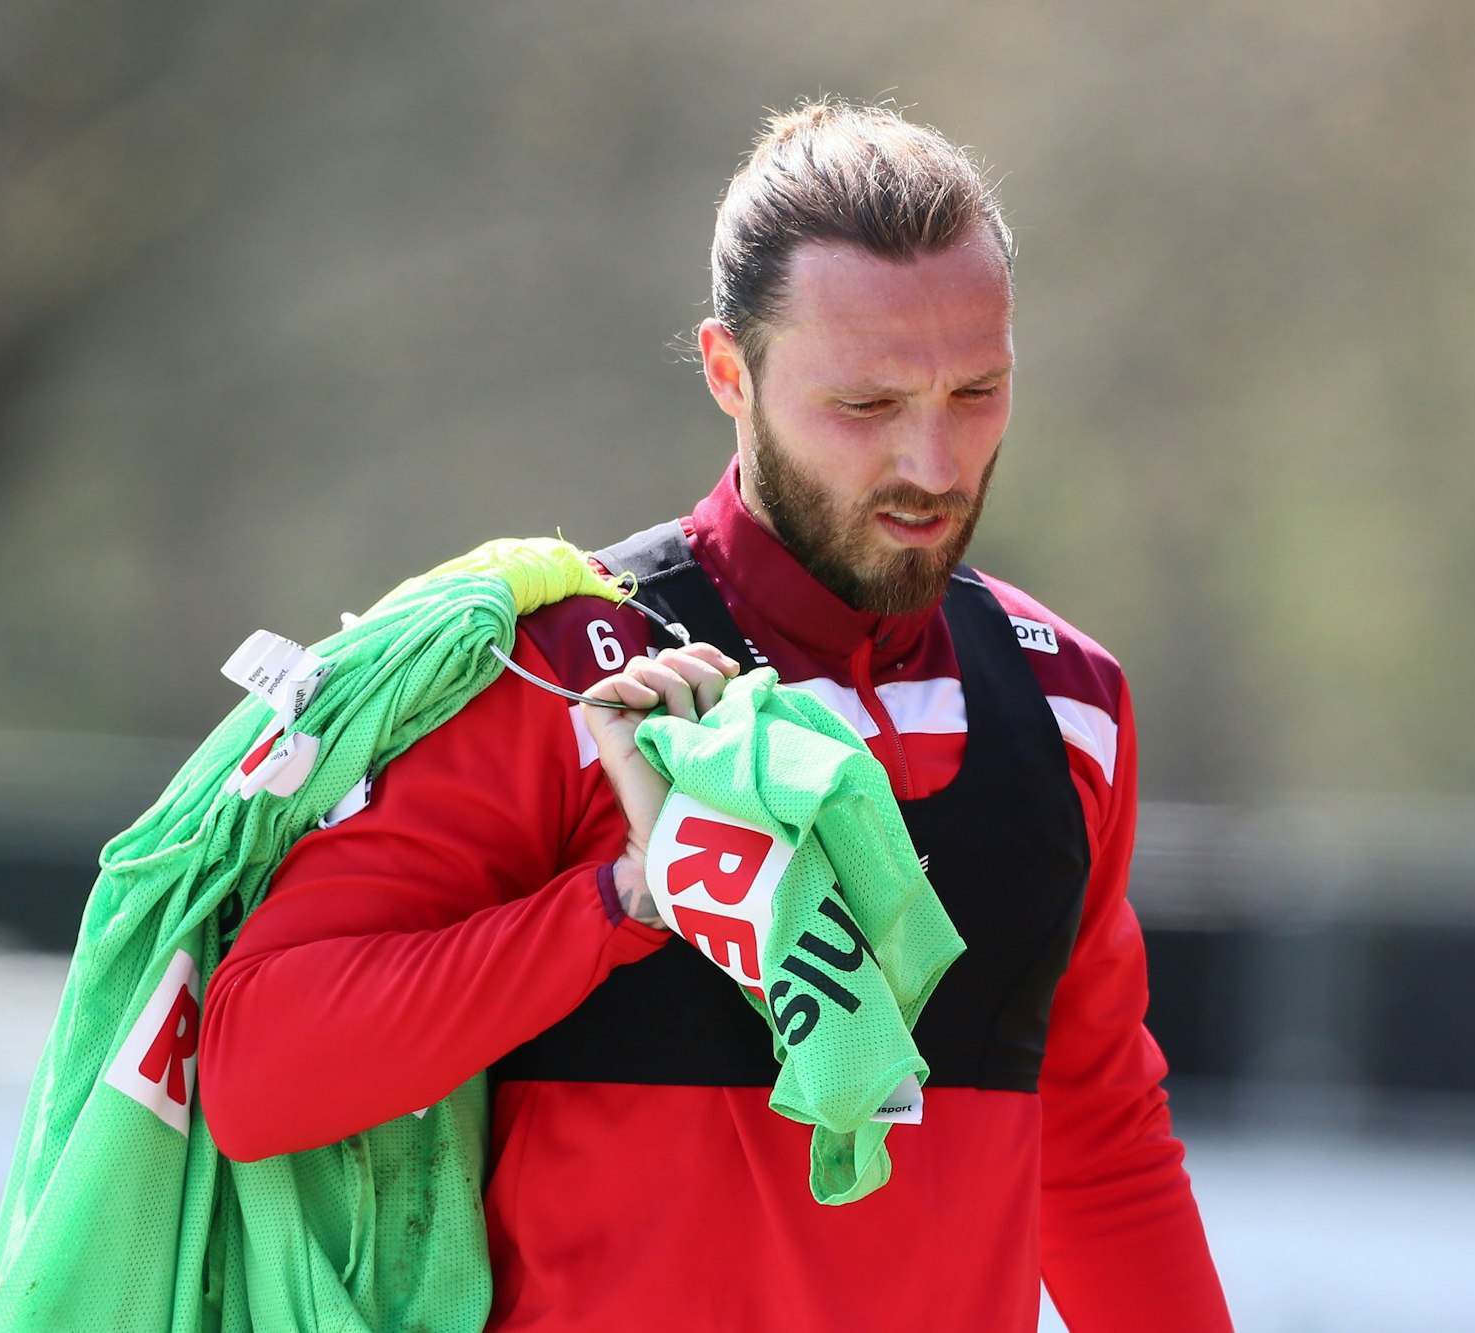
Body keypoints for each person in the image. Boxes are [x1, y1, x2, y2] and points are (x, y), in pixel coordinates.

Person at [199, 98, 1233, 1332]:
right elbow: (255, 1072)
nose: (933, 464)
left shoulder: (1069, 704)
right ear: (728, 371)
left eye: (976, 390)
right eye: (866, 406)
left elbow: (1099, 1142)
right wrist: (628, 899)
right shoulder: (562, 676)